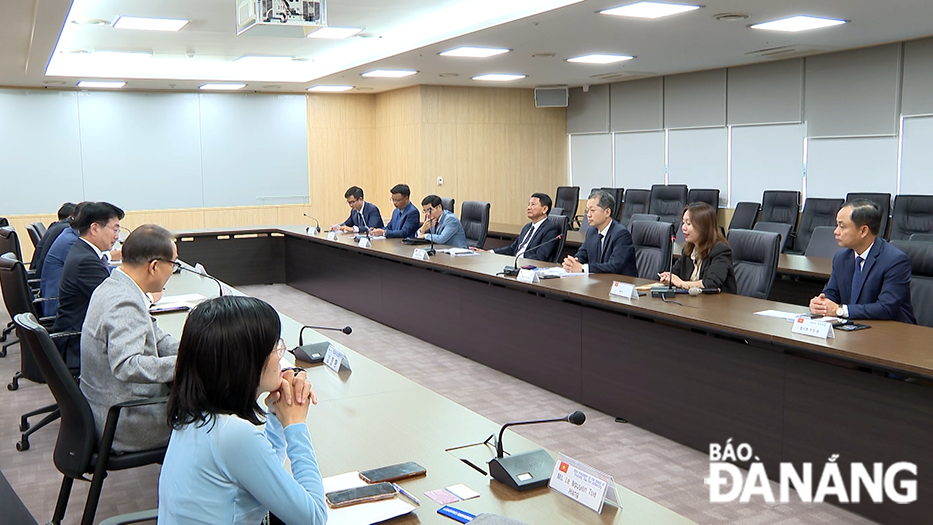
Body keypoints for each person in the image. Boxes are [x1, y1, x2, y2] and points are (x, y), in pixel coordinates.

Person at [159, 296, 327, 525]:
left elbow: (263, 473)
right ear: (245, 361)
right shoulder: (234, 434)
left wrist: (277, 414)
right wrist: (296, 425)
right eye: (275, 347)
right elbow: (313, 519)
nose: (281, 357)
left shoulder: (194, 414)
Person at [80, 224, 180, 452]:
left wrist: (194, 349)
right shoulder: (125, 303)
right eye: (173, 264)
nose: (173, 271)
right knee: (209, 416)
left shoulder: (114, 285)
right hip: (125, 421)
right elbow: (126, 365)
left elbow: (156, 336)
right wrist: (187, 363)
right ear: (154, 266)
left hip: (106, 407)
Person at [809, 199, 915, 323]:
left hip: (893, 332)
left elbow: (886, 308)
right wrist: (821, 304)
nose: (836, 231)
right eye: (837, 225)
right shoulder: (841, 257)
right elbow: (832, 292)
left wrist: (840, 310)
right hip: (857, 327)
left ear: (863, 231)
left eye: (842, 226)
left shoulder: (895, 260)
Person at [50, 202, 124, 367]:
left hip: (82, 330)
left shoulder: (82, 250)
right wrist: (147, 296)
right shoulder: (86, 261)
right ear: (95, 228)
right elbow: (114, 304)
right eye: (115, 229)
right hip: (78, 342)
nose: (117, 236)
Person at [659, 202, 737, 294]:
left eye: (688, 223)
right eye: (683, 223)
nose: (683, 228)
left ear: (703, 226)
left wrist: (681, 284)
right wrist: (668, 277)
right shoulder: (688, 250)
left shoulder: (721, 251)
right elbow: (675, 273)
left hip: (717, 305)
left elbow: (711, 283)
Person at [562, 190, 637, 276]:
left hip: (621, 284)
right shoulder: (591, 231)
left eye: (592, 210)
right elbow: (582, 254)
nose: (588, 215)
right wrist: (572, 263)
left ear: (607, 212)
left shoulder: (621, 234)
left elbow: (614, 266)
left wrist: (582, 268)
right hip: (599, 282)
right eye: (587, 211)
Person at [479, 193, 561, 262]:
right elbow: (512, 249)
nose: (528, 208)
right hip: (516, 263)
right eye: (528, 204)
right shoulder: (527, 227)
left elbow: (541, 256)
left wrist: (518, 261)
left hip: (529, 267)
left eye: (533, 204)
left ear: (544, 209)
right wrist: (490, 252)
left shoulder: (550, 229)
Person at [30, 201, 76, 275]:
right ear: (70, 217)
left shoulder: (55, 226)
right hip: (45, 277)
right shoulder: (65, 230)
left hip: (40, 272)